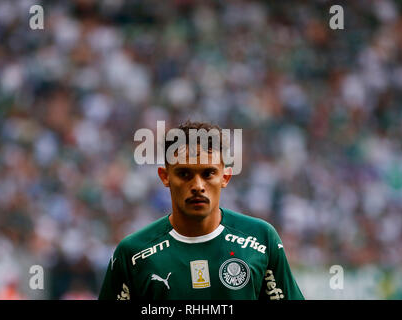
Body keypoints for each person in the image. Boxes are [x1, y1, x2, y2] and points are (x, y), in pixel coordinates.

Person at [99, 121, 304, 300]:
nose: (198, 185)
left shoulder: (261, 239)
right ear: (165, 176)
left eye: (208, 173)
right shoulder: (133, 253)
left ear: (225, 177)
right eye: (185, 173)